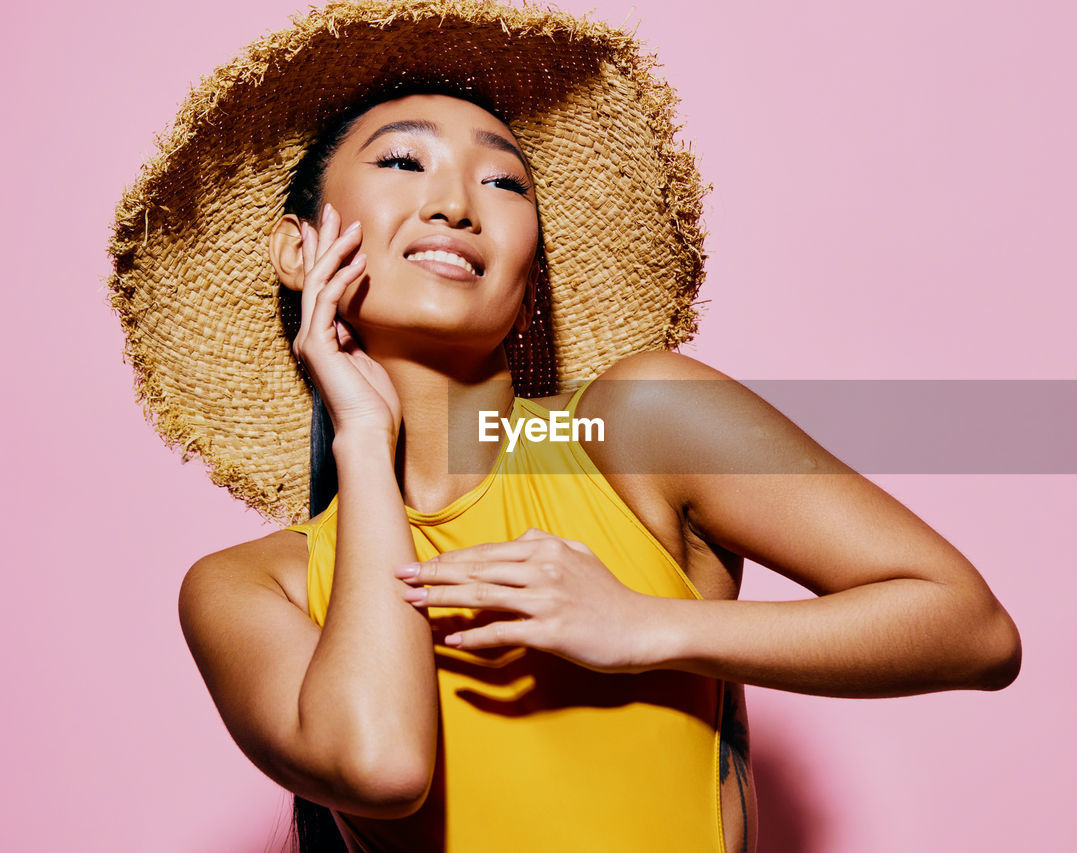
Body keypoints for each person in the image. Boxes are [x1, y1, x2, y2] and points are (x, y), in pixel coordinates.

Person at [107, 3, 1020, 851]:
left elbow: (972, 630)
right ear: (300, 248)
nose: (457, 203)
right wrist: (359, 434)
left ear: (528, 263)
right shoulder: (246, 587)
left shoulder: (635, 429)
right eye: (401, 162)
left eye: (503, 181)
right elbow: (381, 765)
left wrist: (643, 626)